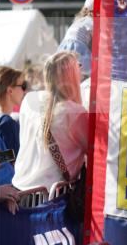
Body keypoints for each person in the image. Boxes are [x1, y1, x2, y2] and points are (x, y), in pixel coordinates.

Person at [11, 52, 88, 193]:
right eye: (79, 66)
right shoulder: (75, 112)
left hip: (19, 193)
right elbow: (94, 151)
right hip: (53, 198)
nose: (81, 71)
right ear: (71, 75)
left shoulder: (29, 100)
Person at [57, 0, 94, 78]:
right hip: (77, 48)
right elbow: (97, 40)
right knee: (88, 68)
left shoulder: (78, 21)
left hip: (65, 47)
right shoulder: (91, 21)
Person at [0, 65, 24, 158]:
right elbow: (17, 156)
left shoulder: (0, 119)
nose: (24, 91)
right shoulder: (7, 123)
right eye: (22, 86)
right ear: (10, 90)